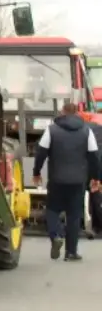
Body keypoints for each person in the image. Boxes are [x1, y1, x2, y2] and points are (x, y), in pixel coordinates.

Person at [32, 102, 101, 261]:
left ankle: (56, 235)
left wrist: (36, 172)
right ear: (77, 113)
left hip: (57, 179)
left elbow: (41, 152)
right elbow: (94, 156)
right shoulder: (86, 131)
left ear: (62, 112)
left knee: (52, 210)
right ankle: (71, 252)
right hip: (78, 180)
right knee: (74, 215)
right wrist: (96, 178)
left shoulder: (52, 130)